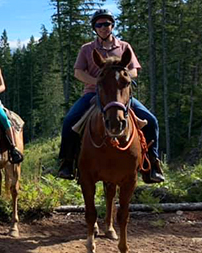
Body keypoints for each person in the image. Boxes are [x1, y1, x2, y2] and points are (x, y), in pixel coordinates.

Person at [57, 9, 164, 183]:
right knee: (70, 120)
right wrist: (98, 82)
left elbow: (134, 70)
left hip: (121, 96)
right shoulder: (87, 49)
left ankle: (153, 164)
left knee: (151, 121)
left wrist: (121, 79)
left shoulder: (124, 47)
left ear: (112, 25)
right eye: (99, 24)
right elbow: (78, 72)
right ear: (94, 28)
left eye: (106, 23)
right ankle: (67, 163)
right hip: (93, 94)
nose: (103, 27)